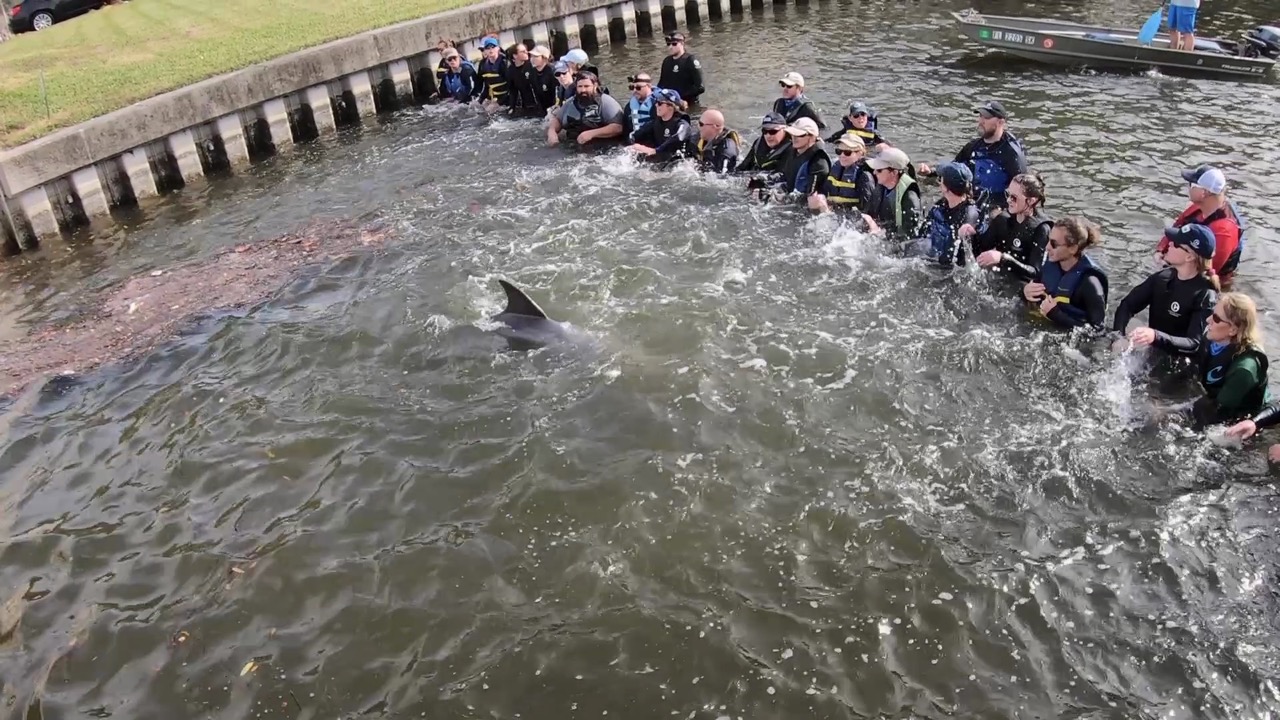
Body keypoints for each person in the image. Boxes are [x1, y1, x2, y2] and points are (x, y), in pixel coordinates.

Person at [1112, 224, 1219, 357]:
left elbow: (1193, 343)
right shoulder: (1162, 278)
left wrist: (1155, 336)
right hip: (1154, 352)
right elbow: (1127, 305)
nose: (1169, 244)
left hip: (1180, 364)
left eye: (1176, 244)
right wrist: (1119, 337)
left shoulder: (1205, 295)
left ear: (1189, 257)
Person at [920, 101, 1027, 214]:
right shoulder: (973, 147)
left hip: (998, 210)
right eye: (980, 116)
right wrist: (930, 172)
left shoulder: (1012, 154)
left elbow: (1023, 190)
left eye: (986, 117)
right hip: (973, 202)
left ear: (1000, 122)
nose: (981, 121)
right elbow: (954, 170)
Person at [1187, 292, 1269, 428]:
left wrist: (1175, 413)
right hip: (1216, 396)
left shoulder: (1244, 369)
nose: (1208, 320)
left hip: (1238, 421)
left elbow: (1217, 412)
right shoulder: (1213, 340)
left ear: (1233, 329)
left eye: (1216, 318)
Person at [1155, 165, 1243, 289]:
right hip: (1182, 263)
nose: (1188, 188)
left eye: (1191, 185)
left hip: (1205, 285)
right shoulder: (1199, 207)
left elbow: (1207, 270)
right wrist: (1160, 251)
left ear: (1204, 193)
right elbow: (1176, 227)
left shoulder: (1224, 231)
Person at [963, 172, 1052, 282]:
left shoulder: (1041, 228)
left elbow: (1035, 272)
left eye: (1014, 197)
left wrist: (1003, 259)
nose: (1008, 200)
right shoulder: (1002, 219)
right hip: (1000, 282)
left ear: (1030, 201)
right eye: (1008, 194)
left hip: (1023, 288)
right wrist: (970, 236)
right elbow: (981, 249)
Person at [1022, 217, 1108, 330]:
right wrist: (1025, 292)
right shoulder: (1050, 266)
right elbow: (1032, 295)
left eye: (1054, 244)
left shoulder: (1090, 283)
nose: (1047, 247)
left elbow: (1098, 331)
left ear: (1073, 248)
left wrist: (1056, 315)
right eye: (1048, 240)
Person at [913, 163, 981, 267]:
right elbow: (922, 234)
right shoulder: (941, 204)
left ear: (946, 188)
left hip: (950, 269)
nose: (939, 182)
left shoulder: (969, 215)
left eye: (941, 179)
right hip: (932, 257)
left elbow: (961, 258)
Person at [547, 72, 626, 147]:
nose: (583, 90)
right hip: (573, 146)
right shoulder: (570, 102)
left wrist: (592, 134)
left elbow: (618, 127)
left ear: (595, 86)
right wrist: (552, 132)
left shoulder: (606, 102)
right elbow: (558, 119)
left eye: (586, 86)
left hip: (601, 149)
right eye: (580, 87)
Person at [861, 147, 922, 238]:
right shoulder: (881, 187)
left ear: (894, 172)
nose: (874, 172)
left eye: (879, 170)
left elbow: (909, 238)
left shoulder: (909, 198)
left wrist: (880, 233)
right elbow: (868, 212)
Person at [811, 134, 876, 214]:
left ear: (860, 153)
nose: (842, 155)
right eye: (839, 151)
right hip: (833, 213)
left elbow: (868, 209)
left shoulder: (864, 176)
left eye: (847, 152)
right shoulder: (835, 168)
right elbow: (824, 192)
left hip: (850, 218)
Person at [627, 89, 692, 163]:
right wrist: (634, 145)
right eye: (656, 102)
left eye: (659, 103)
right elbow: (634, 135)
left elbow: (679, 138)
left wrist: (655, 150)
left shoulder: (682, 124)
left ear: (671, 106)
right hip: (661, 161)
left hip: (679, 164)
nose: (656, 105)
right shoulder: (655, 123)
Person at [775, 118, 830, 204]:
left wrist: (783, 199)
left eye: (799, 135)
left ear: (812, 137)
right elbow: (784, 176)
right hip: (790, 198)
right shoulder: (792, 151)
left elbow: (810, 196)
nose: (794, 138)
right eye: (792, 134)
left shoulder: (818, 162)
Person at [503, 44, 549, 118]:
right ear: (515, 55)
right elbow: (513, 91)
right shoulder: (510, 71)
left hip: (540, 104)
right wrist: (512, 107)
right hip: (526, 106)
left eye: (526, 50)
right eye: (523, 51)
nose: (526, 52)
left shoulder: (532, 65)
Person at [688, 109, 741, 174]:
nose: (698, 126)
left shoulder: (726, 152)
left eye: (701, 124)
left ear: (715, 126)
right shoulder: (701, 138)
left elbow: (722, 179)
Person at [658, 32, 705, 105]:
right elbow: (662, 84)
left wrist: (678, 97)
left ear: (682, 43)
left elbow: (700, 87)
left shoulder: (690, 60)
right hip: (670, 104)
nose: (670, 47)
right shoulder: (667, 61)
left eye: (674, 44)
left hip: (688, 104)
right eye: (668, 44)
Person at [476, 37, 510, 111]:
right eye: (488, 48)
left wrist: (498, 103)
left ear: (498, 48)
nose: (491, 50)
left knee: (489, 111)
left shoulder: (504, 63)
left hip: (507, 97)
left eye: (493, 47)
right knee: (478, 108)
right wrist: (481, 100)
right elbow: (486, 84)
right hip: (494, 96)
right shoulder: (483, 64)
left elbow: (511, 87)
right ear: (484, 50)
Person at [525, 45, 559, 115]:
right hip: (542, 107)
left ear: (544, 58)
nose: (532, 59)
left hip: (554, 108)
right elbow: (535, 91)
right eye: (531, 56)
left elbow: (556, 94)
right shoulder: (532, 72)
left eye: (536, 56)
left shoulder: (552, 71)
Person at [624, 73, 656, 140]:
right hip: (634, 143)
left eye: (638, 87)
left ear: (649, 86)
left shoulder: (658, 104)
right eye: (632, 88)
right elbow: (626, 131)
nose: (635, 90)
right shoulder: (629, 107)